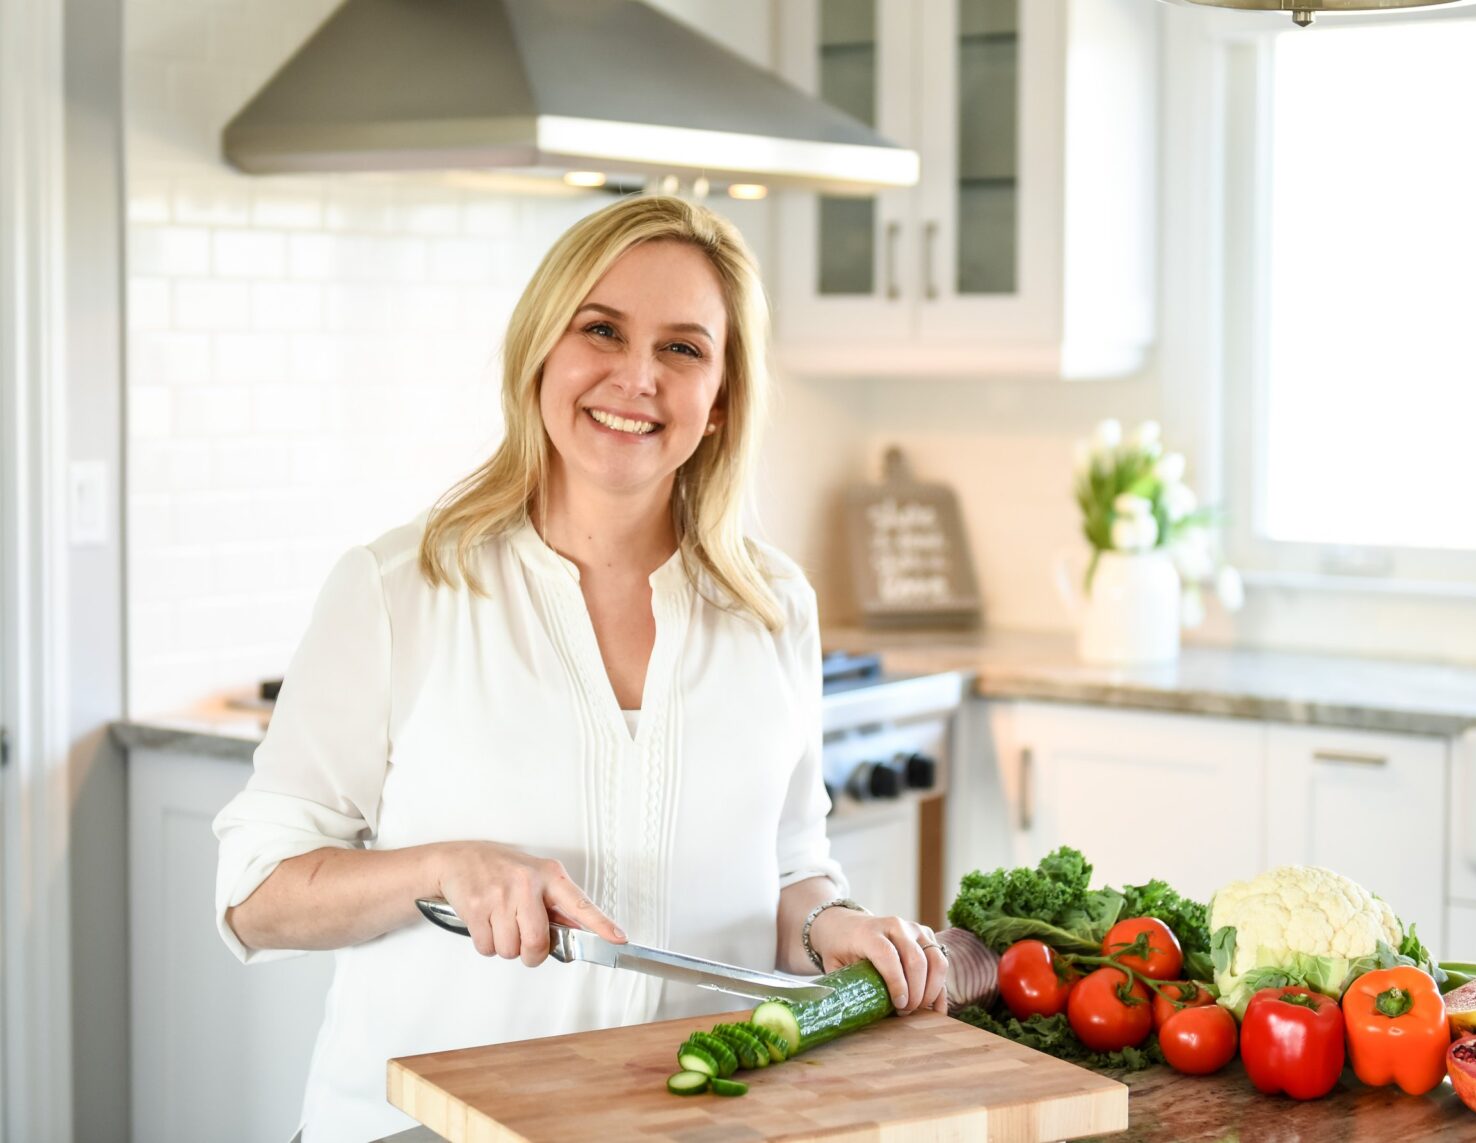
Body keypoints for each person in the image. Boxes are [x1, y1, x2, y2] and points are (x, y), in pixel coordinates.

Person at [213, 195, 949, 1143]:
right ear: (542, 354)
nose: (637, 377)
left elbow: (791, 869)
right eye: (601, 329)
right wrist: (444, 867)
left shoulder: (773, 606)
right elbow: (254, 895)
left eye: (683, 348)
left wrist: (828, 927)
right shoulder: (399, 587)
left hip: (693, 1126)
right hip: (424, 1130)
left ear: (720, 399)